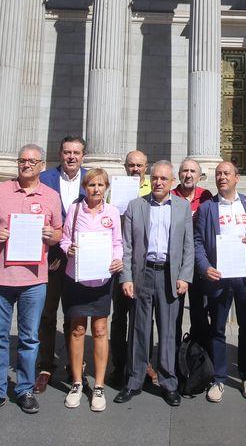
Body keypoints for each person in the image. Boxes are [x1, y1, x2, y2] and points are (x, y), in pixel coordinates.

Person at [0, 144, 63, 418]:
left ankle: (24, 389)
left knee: (29, 338)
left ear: (41, 165)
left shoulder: (51, 196)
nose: (27, 165)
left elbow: (59, 232)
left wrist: (51, 235)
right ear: (17, 163)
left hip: (34, 279)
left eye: (33, 161)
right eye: (23, 160)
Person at [114, 161, 195, 407]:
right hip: (143, 275)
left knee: (168, 331)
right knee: (139, 329)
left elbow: (188, 246)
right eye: (155, 178)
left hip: (169, 275)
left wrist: (185, 276)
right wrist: (126, 278)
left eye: (164, 179)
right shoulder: (136, 206)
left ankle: (169, 382)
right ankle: (134, 380)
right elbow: (127, 247)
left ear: (172, 182)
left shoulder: (182, 207)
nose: (159, 182)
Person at [59, 169, 125, 412]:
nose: (96, 189)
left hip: (101, 279)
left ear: (106, 187)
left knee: (99, 329)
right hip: (76, 277)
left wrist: (118, 259)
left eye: (100, 185)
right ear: (84, 187)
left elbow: (117, 242)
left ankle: (98, 385)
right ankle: (77, 382)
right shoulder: (75, 210)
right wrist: (69, 249)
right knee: (77, 329)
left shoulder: (112, 212)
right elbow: (64, 239)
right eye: (91, 185)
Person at [193, 160, 246, 402]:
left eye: (227, 173)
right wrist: (205, 266)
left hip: (244, 277)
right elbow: (198, 241)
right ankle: (219, 378)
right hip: (218, 277)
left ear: (237, 178)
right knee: (217, 328)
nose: (222, 177)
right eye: (219, 174)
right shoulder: (207, 208)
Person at [34, 135, 88, 393]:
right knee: (47, 313)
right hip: (52, 256)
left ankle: (74, 365)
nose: (71, 157)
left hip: (81, 257)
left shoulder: (91, 180)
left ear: (83, 156)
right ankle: (45, 365)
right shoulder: (45, 179)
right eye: (67, 152)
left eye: (76, 153)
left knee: (75, 313)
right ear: (60, 153)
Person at [109, 149, 149, 389]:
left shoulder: (151, 190)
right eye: (131, 165)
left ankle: (141, 365)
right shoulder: (113, 191)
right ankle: (119, 364)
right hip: (120, 261)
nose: (135, 169)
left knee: (142, 316)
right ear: (125, 166)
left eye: (139, 165)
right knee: (119, 317)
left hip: (143, 263)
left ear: (146, 167)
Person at [173, 157, 214, 347]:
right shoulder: (171, 195)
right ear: (179, 174)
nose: (188, 175)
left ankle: (198, 358)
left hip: (197, 262)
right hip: (175, 263)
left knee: (200, 312)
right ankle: (173, 360)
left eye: (192, 171)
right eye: (184, 171)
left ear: (199, 176)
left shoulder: (206, 196)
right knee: (174, 314)